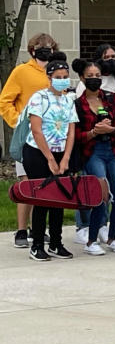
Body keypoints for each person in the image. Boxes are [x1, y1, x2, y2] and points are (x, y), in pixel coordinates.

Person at [1, 32, 57, 249]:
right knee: (27, 183)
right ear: (32, 50)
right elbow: (5, 100)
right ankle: (22, 230)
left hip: (51, 137)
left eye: (50, 47)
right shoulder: (22, 72)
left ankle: (38, 229)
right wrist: (17, 122)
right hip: (27, 137)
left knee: (45, 184)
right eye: (41, 46)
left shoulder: (55, 73)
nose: (46, 50)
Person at [23, 57, 77, 261]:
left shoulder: (68, 100)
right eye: (58, 77)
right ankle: (37, 244)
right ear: (49, 78)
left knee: (60, 198)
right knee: (43, 197)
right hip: (38, 151)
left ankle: (56, 242)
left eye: (65, 77)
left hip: (60, 151)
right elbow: (36, 130)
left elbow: (71, 131)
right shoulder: (39, 98)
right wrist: (50, 159)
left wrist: (65, 159)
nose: (62, 80)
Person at [74, 60, 115, 256]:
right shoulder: (78, 104)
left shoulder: (112, 98)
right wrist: (94, 132)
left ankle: (112, 237)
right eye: (90, 76)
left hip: (114, 151)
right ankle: (91, 240)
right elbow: (76, 135)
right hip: (93, 152)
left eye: (98, 76)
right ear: (82, 78)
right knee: (101, 196)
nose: (95, 79)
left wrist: (110, 129)